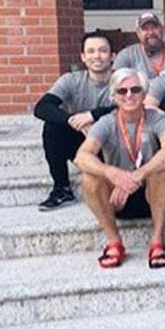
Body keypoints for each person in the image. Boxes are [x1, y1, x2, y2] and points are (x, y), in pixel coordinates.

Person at [73, 68, 165, 269]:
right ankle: (114, 242)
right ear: (114, 96)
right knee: (90, 177)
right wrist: (111, 173)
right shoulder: (106, 122)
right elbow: (82, 156)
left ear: (145, 94)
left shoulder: (157, 118)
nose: (129, 95)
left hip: (154, 194)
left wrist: (139, 174)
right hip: (118, 198)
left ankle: (158, 241)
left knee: (162, 169)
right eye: (122, 91)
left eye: (135, 90)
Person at [34, 31, 116, 211]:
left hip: (114, 143)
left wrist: (93, 115)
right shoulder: (71, 80)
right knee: (52, 127)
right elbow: (42, 107)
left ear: (112, 56)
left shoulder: (123, 79)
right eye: (91, 51)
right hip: (82, 140)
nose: (97, 56)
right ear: (83, 57)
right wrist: (72, 120)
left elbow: (135, 105)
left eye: (103, 51)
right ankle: (62, 188)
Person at [114, 12, 165, 79]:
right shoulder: (126, 55)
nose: (151, 32)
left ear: (162, 29)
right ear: (138, 33)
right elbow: (117, 83)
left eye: (154, 27)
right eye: (145, 29)